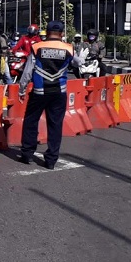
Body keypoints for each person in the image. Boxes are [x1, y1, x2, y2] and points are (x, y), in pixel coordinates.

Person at [17, 20, 82, 170]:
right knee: (55, 125)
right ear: (62, 33)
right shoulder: (69, 48)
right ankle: (51, 160)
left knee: (31, 121)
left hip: (39, 92)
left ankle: (27, 154)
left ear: (46, 32)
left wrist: (22, 90)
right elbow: (78, 63)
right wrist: (81, 58)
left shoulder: (37, 47)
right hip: (59, 93)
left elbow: (27, 72)